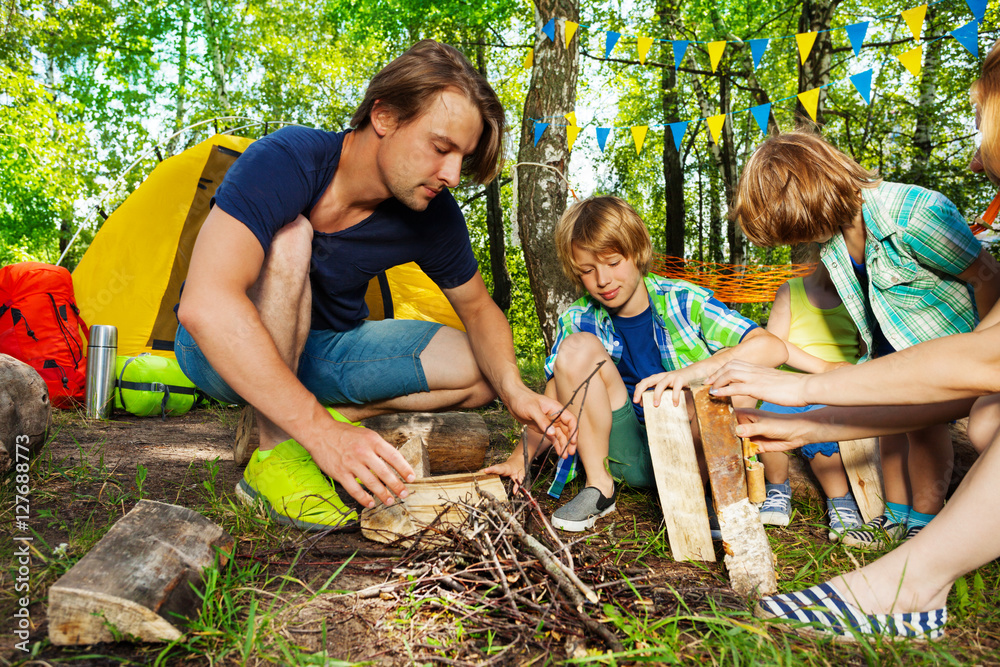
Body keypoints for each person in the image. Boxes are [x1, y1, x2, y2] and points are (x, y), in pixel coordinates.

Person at [175, 40, 574, 532]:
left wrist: (516, 393)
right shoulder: (286, 158)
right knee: (291, 237)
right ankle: (276, 449)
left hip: (326, 351)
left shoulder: (432, 213)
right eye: (440, 147)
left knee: (483, 368)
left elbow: (479, 309)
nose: (451, 174)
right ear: (384, 117)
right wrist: (322, 435)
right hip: (220, 348)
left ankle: (304, 413)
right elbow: (207, 304)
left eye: (462, 158)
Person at [703, 40, 1000, 641]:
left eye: (985, 129)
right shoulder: (839, 252)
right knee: (988, 417)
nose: (975, 161)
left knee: (976, 420)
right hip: (932, 368)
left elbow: (986, 322)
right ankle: (909, 542)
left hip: (952, 351)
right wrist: (815, 422)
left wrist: (814, 391)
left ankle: (916, 562)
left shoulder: (912, 213)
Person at [728, 130, 1000, 549]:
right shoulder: (834, 242)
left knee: (925, 429)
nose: (799, 240)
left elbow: (986, 279)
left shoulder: (914, 212)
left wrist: (981, 355)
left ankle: (925, 522)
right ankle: (893, 516)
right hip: (890, 344)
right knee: (890, 430)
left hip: (947, 348)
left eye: (794, 227)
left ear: (810, 194)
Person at [484, 196, 787, 531]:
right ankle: (600, 488)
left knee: (735, 385)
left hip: (691, 447)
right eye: (588, 270)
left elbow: (771, 348)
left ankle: (707, 494)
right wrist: (518, 460)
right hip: (620, 452)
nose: (603, 280)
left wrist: (689, 374)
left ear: (638, 252)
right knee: (574, 349)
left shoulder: (685, 300)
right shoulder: (579, 318)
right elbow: (556, 400)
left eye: (613, 263)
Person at [757, 259, 863, 541]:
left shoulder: (860, 296)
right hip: (791, 384)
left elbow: (866, 349)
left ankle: (840, 503)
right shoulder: (791, 290)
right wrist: (821, 368)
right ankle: (777, 489)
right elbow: (774, 343)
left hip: (839, 387)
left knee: (820, 429)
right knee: (767, 417)